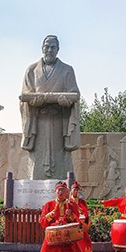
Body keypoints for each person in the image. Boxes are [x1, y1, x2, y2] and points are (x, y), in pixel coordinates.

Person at [19, 35, 81, 179]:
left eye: (53, 47)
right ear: (42, 48)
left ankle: (63, 187)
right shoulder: (32, 70)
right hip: (38, 122)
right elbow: (25, 96)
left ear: (58, 49)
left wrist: (66, 101)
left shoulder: (67, 70)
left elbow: (74, 94)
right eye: (46, 47)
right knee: (38, 159)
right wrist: (35, 101)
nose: (49, 50)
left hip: (60, 121)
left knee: (61, 158)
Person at [31, 181, 87, 252]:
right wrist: (50, 214)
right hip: (52, 237)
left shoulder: (71, 205)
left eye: (63, 190)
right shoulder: (48, 205)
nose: (61, 192)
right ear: (55, 191)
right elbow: (42, 222)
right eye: (59, 190)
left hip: (66, 237)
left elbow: (77, 222)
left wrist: (70, 215)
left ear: (67, 192)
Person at [70, 180, 97, 252]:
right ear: (71, 190)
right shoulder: (68, 201)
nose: (76, 192)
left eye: (77, 190)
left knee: (86, 241)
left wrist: (85, 221)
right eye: (74, 190)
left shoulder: (82, 201)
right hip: (71, 225)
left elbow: (86, 213)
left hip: (81, 225)